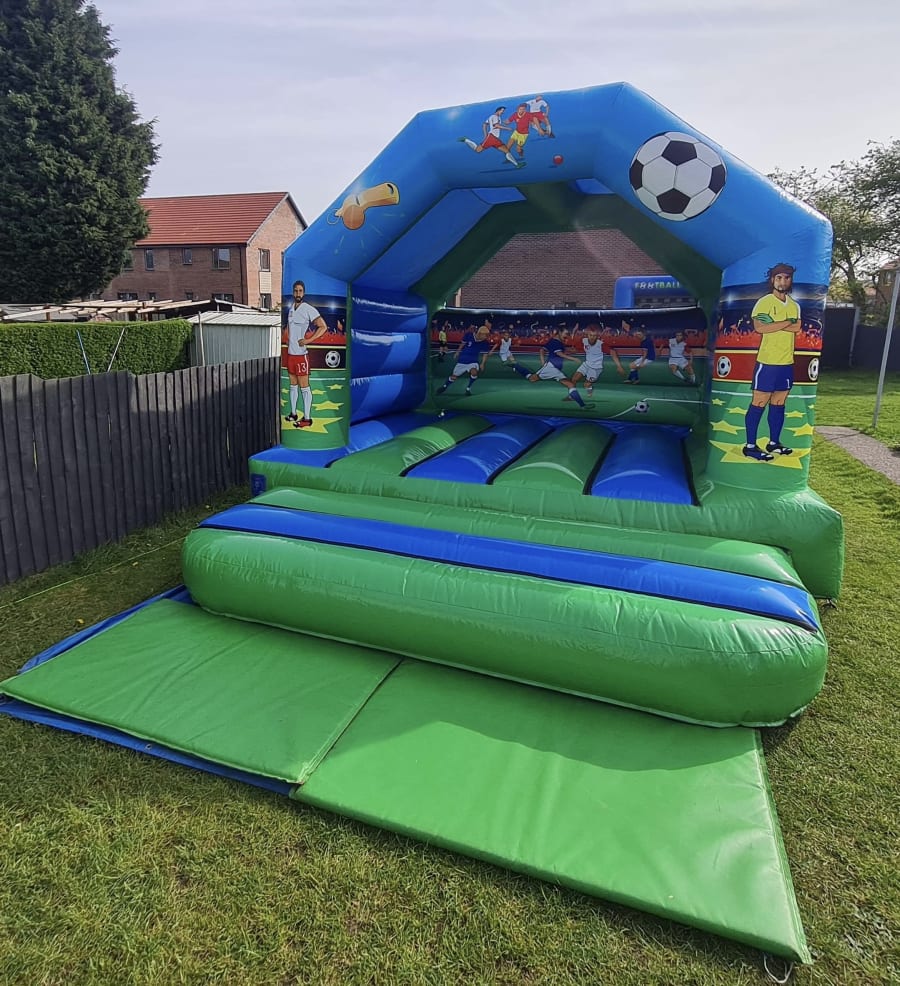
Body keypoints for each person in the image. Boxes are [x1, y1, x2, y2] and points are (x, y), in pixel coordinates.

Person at [742, 263, 801, 461]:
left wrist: (775, 324)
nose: (783, 282)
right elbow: (760, 327)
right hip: (767, 362)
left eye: (786, 278)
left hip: (786, 362)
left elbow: (797, 327)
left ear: (790, 280)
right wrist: (788, 322)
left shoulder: (794, 305)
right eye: (779, 278)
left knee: (779, 402)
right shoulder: (764, 302)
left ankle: (774, 442)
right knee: (759, 402)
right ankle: (750, 446)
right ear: (772, 280)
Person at [282, 280, 328, 428]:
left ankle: (307, 419)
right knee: (293, 385)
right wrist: (288, 339)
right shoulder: (291, 309)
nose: (298, 293)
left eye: (300, 291)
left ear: (304, 292)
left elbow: (323, 326)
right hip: (291, 354)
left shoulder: (308, 308)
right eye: (296, 291)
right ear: (293, 292)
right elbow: (290, 328)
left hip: (301, 355)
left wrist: (308, 340)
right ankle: (293, 413)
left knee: (304, 387)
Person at [512, 326, 589, 407]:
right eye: (565, 333)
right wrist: (574, 359)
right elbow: (559, 353)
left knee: (532, 379)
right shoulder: (556, 342)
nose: (567, 335)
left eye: (568, 334)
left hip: (554, 368)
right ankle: (516, 366)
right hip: (551, 367)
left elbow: (543, 350)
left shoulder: (555, 341)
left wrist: (570, 351)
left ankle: (516, 366)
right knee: (569, 384)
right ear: (560, 332)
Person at [436, 320, 494, 396]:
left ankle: (468, 389)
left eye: (487, 335)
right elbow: (462, 344)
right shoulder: (469, 335)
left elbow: (485, 354)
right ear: (480, 333)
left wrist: (482, 364)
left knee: (474, 372)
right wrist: (457, 352)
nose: (486, 337)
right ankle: (444, 386)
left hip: (473, 361)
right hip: (462, 360)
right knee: (454, 377)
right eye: (485, 335)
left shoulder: (485, 343)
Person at [459, 107, 523, 168]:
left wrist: (485, 135)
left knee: (506, 150)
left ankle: (517, 165)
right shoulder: (495, 117)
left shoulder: (493, 117)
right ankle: (466, 140)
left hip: (495, 139)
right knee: (478, 150)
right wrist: (508, 128)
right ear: (498, 110)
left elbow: (484, 124)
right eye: (502, 111)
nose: (503, 112)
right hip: (492, 137)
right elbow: (496, 125)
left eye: (503, 111)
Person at [566, 322, 607, 398]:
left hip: (596, 368)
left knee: (586, 385)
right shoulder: (584, 341)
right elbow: (575, 350)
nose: (592, 337)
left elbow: (612, 352)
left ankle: (589, 388)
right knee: (574, 379)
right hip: (586, 364)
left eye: (594, 335)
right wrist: (566, 350)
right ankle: (571, 396)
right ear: (587, 334)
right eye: (590, 335)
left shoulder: (600, 344)